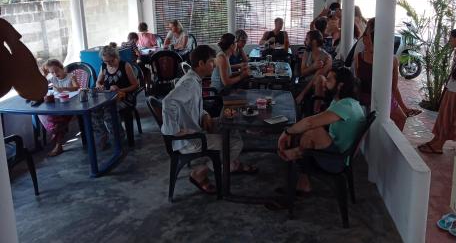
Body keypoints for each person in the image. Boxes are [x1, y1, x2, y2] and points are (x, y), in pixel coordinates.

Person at [161, 45, 256, 195]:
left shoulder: (194, 78)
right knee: (236, 143)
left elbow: (193, 104)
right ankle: (200, 173)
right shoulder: (189, 83)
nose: (214, 64)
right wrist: (174, 133)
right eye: (211, 62)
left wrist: (205, 114)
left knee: (231, 126)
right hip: (189, 140)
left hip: (197, 125)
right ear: (201, 64)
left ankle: (229, 162)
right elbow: (168, 102)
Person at [276, 68, 365, 194]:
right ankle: (302, 178)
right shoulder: (342, 101)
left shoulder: (346, 106)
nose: (324, 82)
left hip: (337, 161)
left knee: (313, 130)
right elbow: (314, 121)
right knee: (309, 131)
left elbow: (310, 122)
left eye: (328, 80)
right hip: (335, 151)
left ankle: (297, 160)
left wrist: (287, 132)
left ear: (340, 86)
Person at [354, 19, 421, 131]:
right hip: (380, 100)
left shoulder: (358, 57)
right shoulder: (391, 59)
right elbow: (393, 88)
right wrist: (403, 107)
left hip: (361, 98)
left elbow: (358, 80)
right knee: (401, 118)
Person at [418, 28, 456, 154]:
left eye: (451, 38)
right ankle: (435, 141)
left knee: (447, 120)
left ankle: (438, 145)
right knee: (443, 119)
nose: (449, 41)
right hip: (452, 92)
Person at [92, 44, 139, 148]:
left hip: (125, 98)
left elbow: (135, 85)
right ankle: (103, 136)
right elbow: (98, 82)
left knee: (109, 112)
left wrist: (120, 89)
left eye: (111, 61)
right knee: (94, 111)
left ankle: (118, 137)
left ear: (116, 57)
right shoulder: (104, 66)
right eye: (106, 61)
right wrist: (99, 86)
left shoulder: (125, 65)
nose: (108, 63)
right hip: (109, 98)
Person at [38, 59, 79, 157]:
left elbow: (77, 87)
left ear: (63, 68)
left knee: (59, 121)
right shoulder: (53, 79)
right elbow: (41, 84)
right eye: (52, 72)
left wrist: (64, 89)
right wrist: (44, 74)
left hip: (71, 105)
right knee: (48, 116)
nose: (55, 74)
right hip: (58, 106)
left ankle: (58, 144)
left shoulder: (70, 76)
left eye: (57, 70)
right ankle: (57, 137)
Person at [295, 30, 332, 105]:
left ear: (314, 42)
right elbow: (302, 72)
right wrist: (313, 67)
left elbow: (317, 76)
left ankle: (316, 112)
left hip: (318, 85)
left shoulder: (326, 57)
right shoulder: (306, 53)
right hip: (305, 82)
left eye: (307, 39)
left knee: (318, 80)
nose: (305, 41)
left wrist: (302, 94)